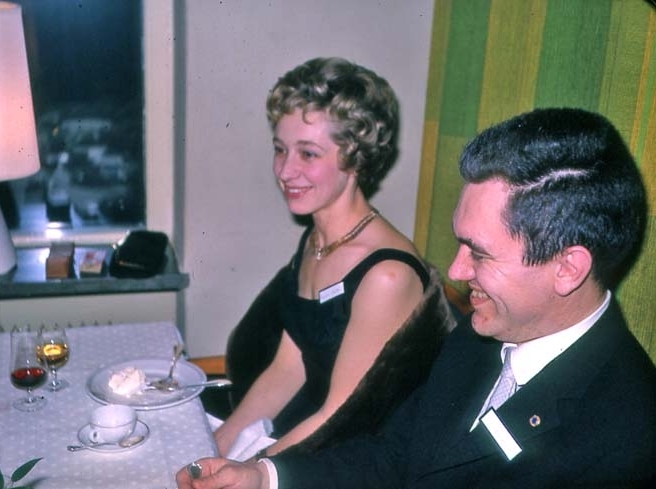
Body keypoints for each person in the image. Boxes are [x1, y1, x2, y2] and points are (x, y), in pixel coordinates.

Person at [177, 107, 656, 488]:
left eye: (480, 254)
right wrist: (265, 477)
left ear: (568, 269)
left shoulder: (628, 438)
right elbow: (396, 454)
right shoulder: (479, 336)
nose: (456, 271)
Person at [213, 57, 453, 459]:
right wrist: (215, 446)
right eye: (280, 149)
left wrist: (248, 470)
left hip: (362, 453)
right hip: (311, 427)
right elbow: (287, 368)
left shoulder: (387, 275)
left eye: (308, 154)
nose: (285, 171)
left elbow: (340, 415)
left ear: (355, 158)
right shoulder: (316, 241)